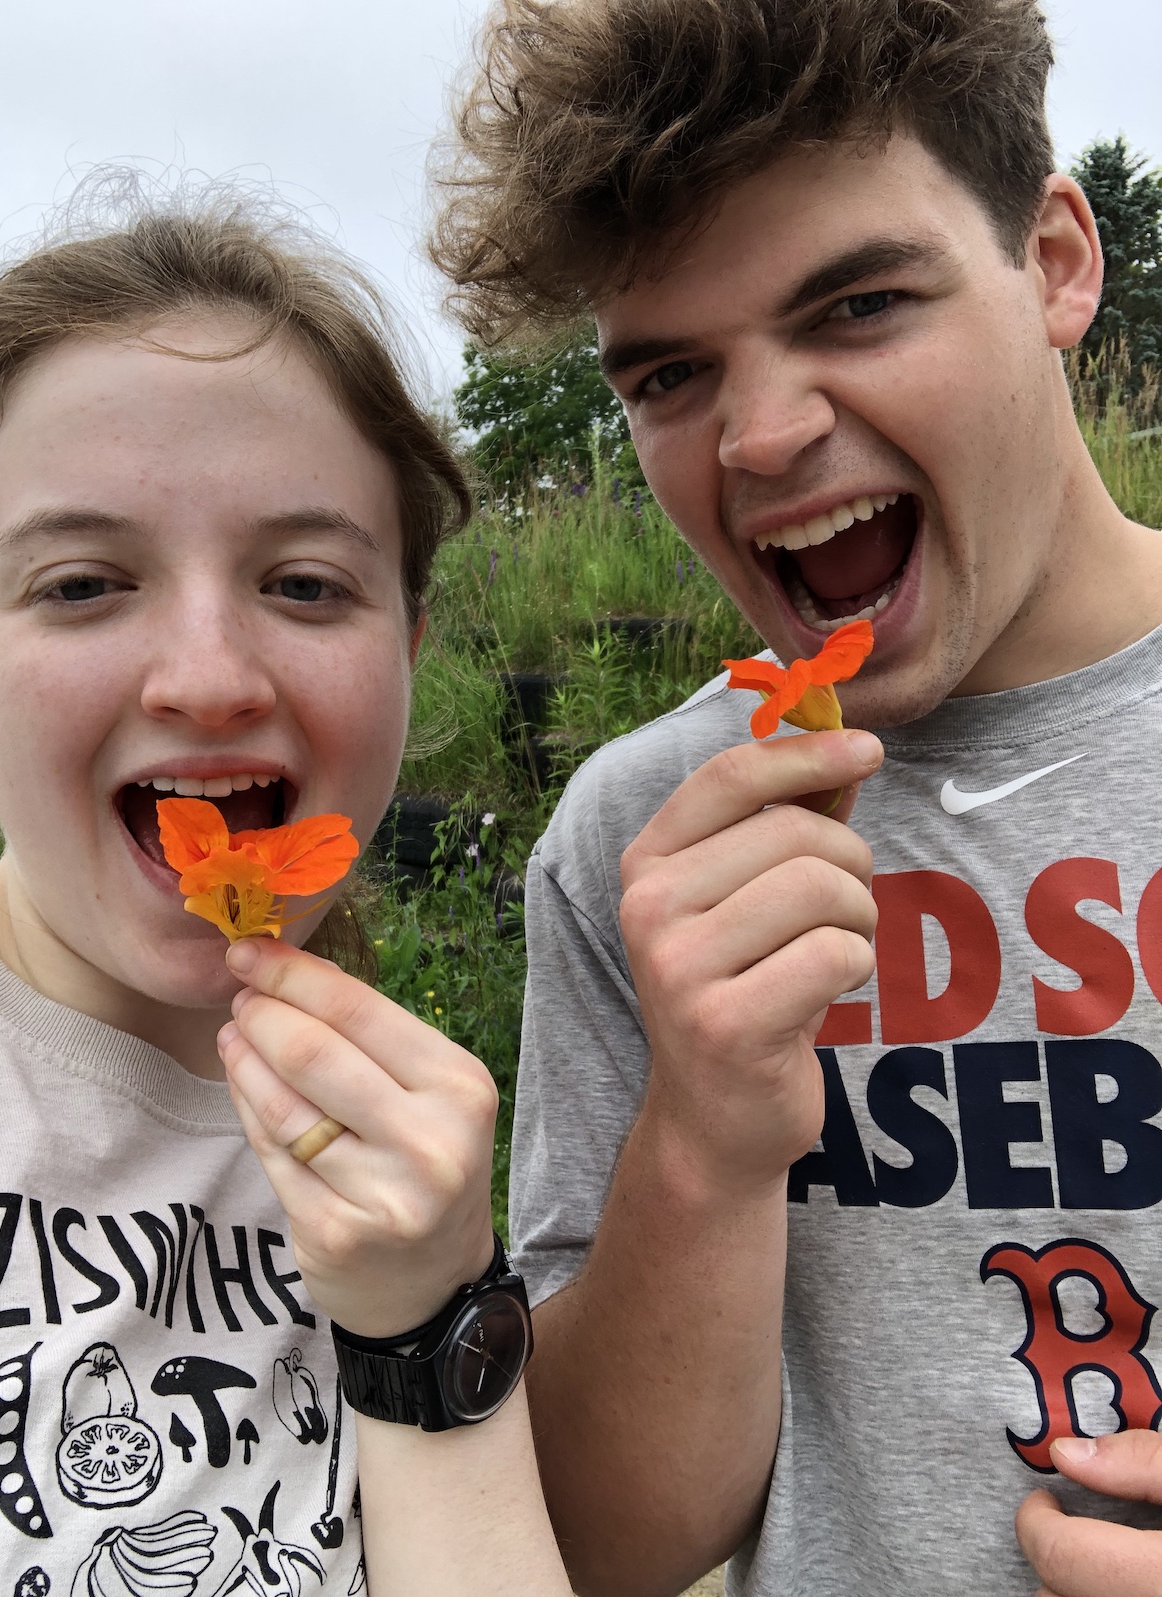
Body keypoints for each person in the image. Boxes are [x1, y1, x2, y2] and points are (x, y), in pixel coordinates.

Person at [430, 1, 1162, 1592]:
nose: (761, 435)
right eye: (672, 374)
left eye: (859, 303)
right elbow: (616, 1545)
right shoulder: (635, 841)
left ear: (1054, 260)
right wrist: (703, 1132)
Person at [0, 180, 573, 1597]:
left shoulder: (394, 1147)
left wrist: (431, 1311)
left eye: (303, 584)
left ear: (412, 649)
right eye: (79, 583)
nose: (214, 677)